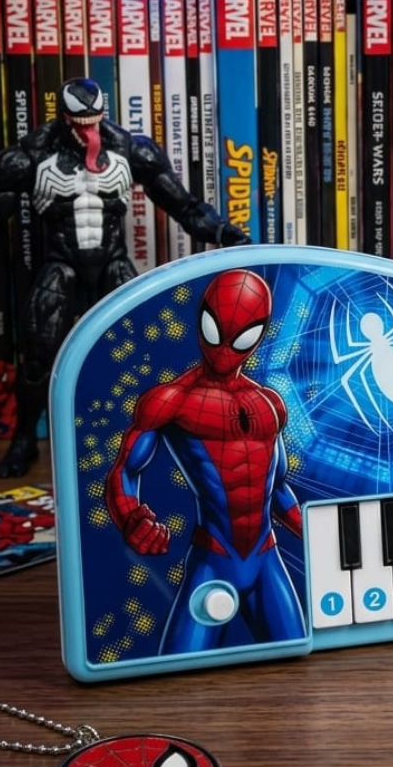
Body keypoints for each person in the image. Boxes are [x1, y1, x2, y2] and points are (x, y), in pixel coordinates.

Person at [0, 77, 249, 479]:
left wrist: (223, 231)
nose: (88, 131)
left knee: (146, 352)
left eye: (94, 121)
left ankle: (155, 438)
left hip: (113, 262)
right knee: (38, 357)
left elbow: (184, 206)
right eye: (80, 123)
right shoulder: (28, 157)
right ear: (65, 118)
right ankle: (24, 440)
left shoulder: (131, 150)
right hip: (61, 263)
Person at [105, 269, 305, 653]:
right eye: (216, 332)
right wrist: (132, 519)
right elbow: (125, 469)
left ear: (257, 334)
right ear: (202, 320)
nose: (224, 350)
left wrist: (317, 534)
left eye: (239, 337)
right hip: (213, 559)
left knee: (297, 655)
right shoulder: (171, 399)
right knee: (176, 668)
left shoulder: (269, 405)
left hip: (266, 558)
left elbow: (277, 486)